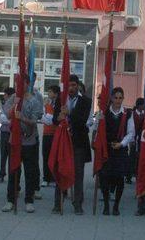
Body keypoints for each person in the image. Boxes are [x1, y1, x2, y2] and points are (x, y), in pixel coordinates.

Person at [91, 87, 135, 216]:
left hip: (120, 149)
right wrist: (97, 124)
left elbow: (131, 133)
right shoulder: (103, 113)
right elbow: (95, 130)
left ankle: (116, 205)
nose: (118, 100)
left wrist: (121, 144)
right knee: (104, 178)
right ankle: (105, 204)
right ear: (111, 98)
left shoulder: (128, 114)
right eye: (115, 97)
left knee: (119, 179)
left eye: (120, 98)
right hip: (107, 150)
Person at [53, 74, 92, 215]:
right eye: (69, 85)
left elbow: (82, 121)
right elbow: (54, 120)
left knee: (78, 174)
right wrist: (59, 117)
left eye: (74, 85)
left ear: (78, 85)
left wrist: (69, 113)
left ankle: (78, 204)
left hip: (78, 143)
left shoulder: (86, 101)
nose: (71, 88)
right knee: (60, 170)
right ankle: (58, 203)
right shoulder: (61, 99)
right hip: (63, 142)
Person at [3, 77, 44, 213]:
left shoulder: (34, 100)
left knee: (29, 172)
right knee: (13, 170)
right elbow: (7, 116)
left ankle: (29, 200)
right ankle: (10, 200)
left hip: (29, 141)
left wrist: (22, 118)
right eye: (17, 83)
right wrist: (15, 105)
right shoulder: (13, 98)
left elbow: (34, 121)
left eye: (22, 83)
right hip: (14, 141)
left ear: (28, 84)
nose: (19, 85)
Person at [41, 85, 59, 187]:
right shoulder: (46, 104)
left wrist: (51, 119)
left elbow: (56, 120)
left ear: (56, 94)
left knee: (55, 157)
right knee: (46, 156)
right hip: (46, 133)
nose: (49, 94)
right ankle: (46, 178)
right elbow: (42, 117)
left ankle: (54, 177)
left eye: (50, 92)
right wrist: (51, 119)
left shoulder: (59, 104)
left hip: (56, 134)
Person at [0, 87, 15, 183]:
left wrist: (8, 120)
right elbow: (1, 118)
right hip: (4, 133)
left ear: (9, 95)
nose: (4, 96)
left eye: (5, 94)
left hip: (12, 133)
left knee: (12, 156)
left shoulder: (16, 105)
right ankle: (1, 174)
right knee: (3, 155)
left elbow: (11, 120)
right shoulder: (3, 104)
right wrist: (9, 120)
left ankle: (12, 176)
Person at [127, 98, 145, 184]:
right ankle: (128, 176)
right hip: (134, 138)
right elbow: (131, 127)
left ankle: (139, 176)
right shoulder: (133, 114)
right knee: (132, 158)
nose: (144, 106)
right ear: (139, 105)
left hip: (141, 139)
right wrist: (131, 140)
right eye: (142, 105)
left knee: (140, 158)